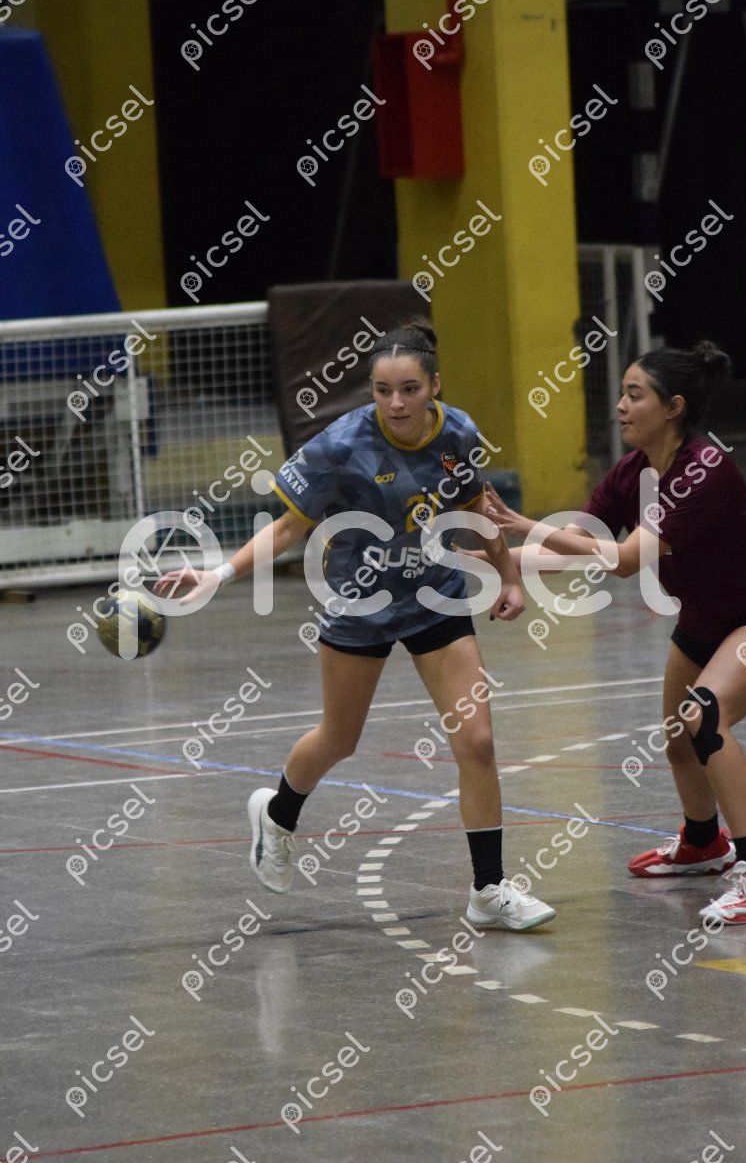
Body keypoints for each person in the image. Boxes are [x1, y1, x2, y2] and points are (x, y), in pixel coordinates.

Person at [156, 321, 555, 931]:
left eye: (409, 389)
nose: (396, 403)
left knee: (477, 742)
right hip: (359, 603)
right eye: (382, 390)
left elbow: (477, 508)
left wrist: (508, 577)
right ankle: (278, 814)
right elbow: (288, 528)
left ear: (434, 386)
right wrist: (220, 574)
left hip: (436, 598)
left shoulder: (459, 433)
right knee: (339, 739)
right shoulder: (340, 445)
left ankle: (488, 889)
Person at [482, 341, 746, 925]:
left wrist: (523, 523)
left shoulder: (703, 469)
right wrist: (489, 562)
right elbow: (575, 545)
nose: (621, 406)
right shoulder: (631, 473)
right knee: (679, 738)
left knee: (706, 716)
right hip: (703, 620)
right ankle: (703, 843)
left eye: (635, 395)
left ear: (673, 407)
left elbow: (626, 560)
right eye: (623, 394)